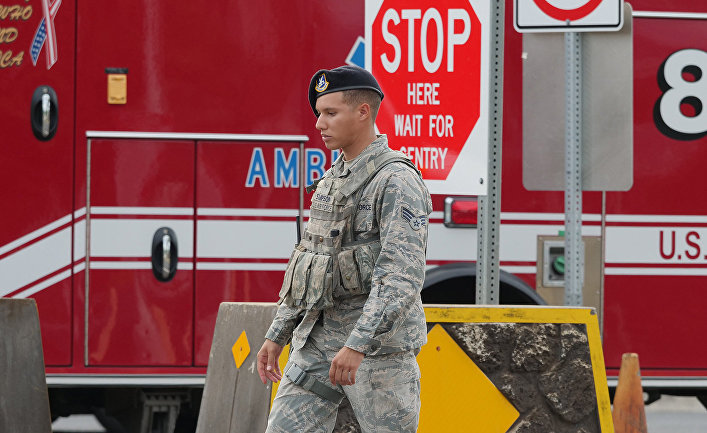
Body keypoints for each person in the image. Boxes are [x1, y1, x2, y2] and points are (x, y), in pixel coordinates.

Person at [256, 65, 432, 433]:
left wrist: (358, 344)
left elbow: (400, 277)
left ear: (363, 111)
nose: (320, 124)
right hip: (316, 342)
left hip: (378, 354)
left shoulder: (396, 181)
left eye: (330, 113)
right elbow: (308, 263)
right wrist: (278, 334)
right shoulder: (332, 180)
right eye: (319, 113)